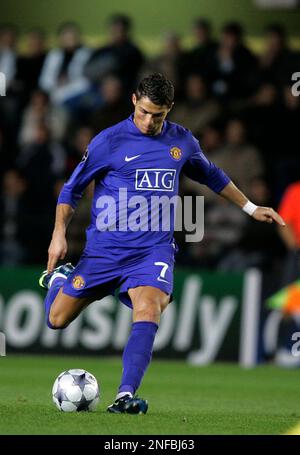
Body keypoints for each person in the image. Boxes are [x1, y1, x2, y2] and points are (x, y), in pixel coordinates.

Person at [39, 73, 285, 414]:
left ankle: (125, 395)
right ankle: (59, 280)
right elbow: (72, 189)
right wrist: (58, 233)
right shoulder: (108, 142)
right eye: (144, 112)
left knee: (149, 307)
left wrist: (250, 207)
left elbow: (211, 174)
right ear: (134, 100)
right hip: (104, 251)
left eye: (158, 115)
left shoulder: (181, 141)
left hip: (152, 250)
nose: (149, 121)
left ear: (169, 109)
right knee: (56, 319)